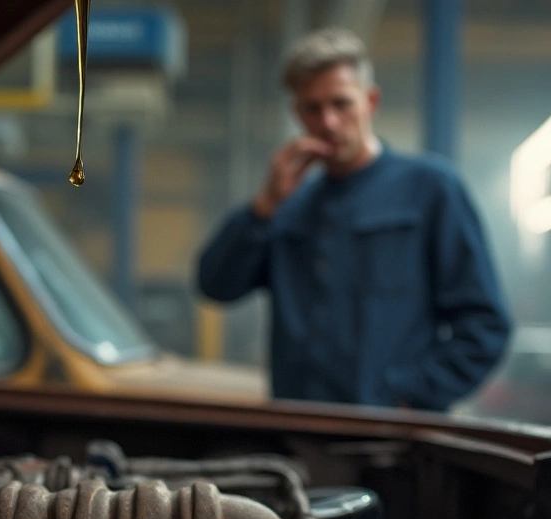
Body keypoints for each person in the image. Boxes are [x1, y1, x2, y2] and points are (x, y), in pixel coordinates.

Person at [196, 28, 511, 411]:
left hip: (393, 443)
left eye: (341, 104)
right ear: (297, 113)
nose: (328, 122)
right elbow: (215, 284)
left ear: (371, 102)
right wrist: (264, 206)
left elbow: (485, 326)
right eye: (313, 108)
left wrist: (408, 393)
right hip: (298, 432)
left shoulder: (429, 190)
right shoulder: (289, 207)